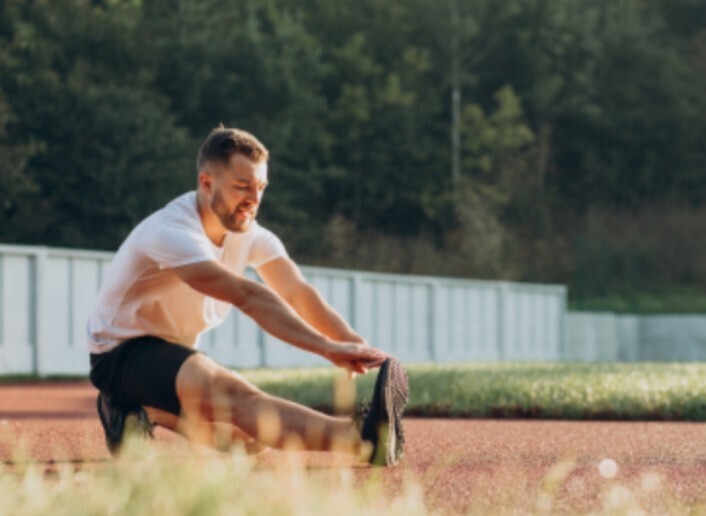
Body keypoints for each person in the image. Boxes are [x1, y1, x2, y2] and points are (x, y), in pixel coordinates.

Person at [86, 126, 408, 466]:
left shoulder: (250, 233)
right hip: (120, 352)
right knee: (238, 398)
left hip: (173, 352)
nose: (254, 200)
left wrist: (352, 344)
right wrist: (327, 348)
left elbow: (298, 292)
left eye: (261, 188)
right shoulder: (172, 232)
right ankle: (362, 439)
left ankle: (136, 411)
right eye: (242, 187)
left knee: (252, 440)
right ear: (207, 183)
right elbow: (247, 296)